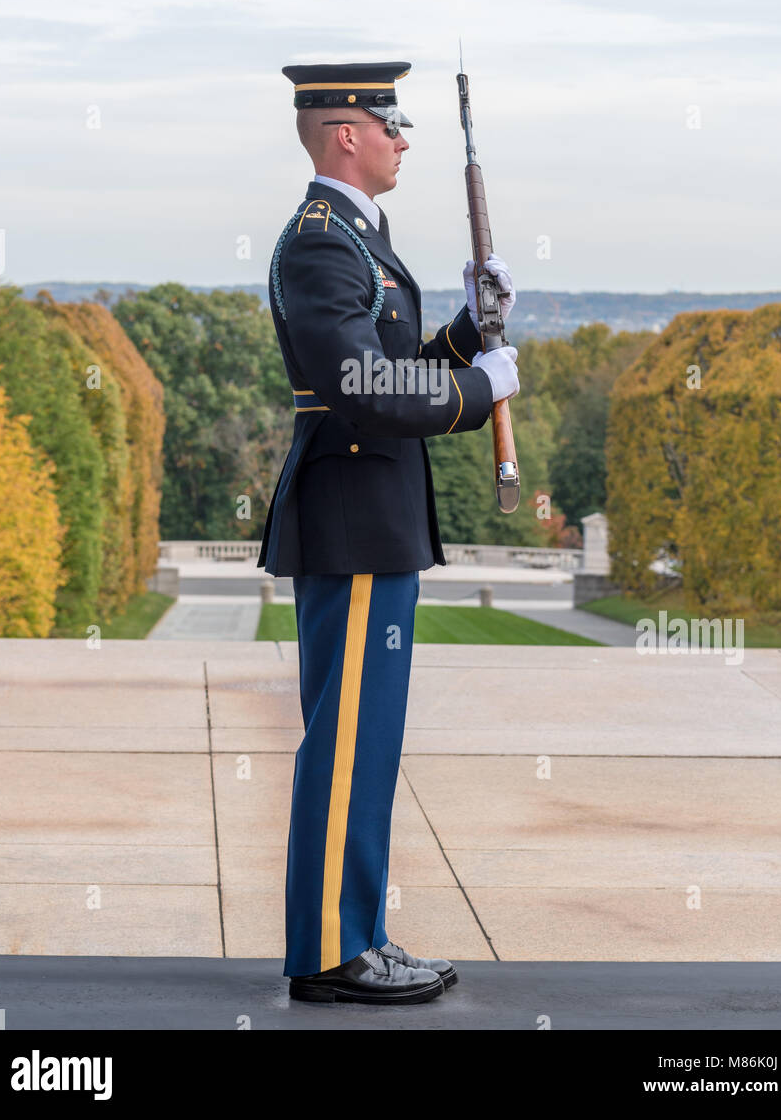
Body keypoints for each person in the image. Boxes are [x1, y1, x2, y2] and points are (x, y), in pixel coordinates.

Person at [258, 61, 518, 1004]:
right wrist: (480, 390)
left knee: (367, 743)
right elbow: (364, 391)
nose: (404, 140)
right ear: (343, 136)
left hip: (374, 523)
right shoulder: (321, 245)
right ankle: (329, 952)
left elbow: (391, 362)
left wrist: (464, 330)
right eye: (390, 124)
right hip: (353, 525)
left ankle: (354, 932)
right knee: (347, 744)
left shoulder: (358, 240)